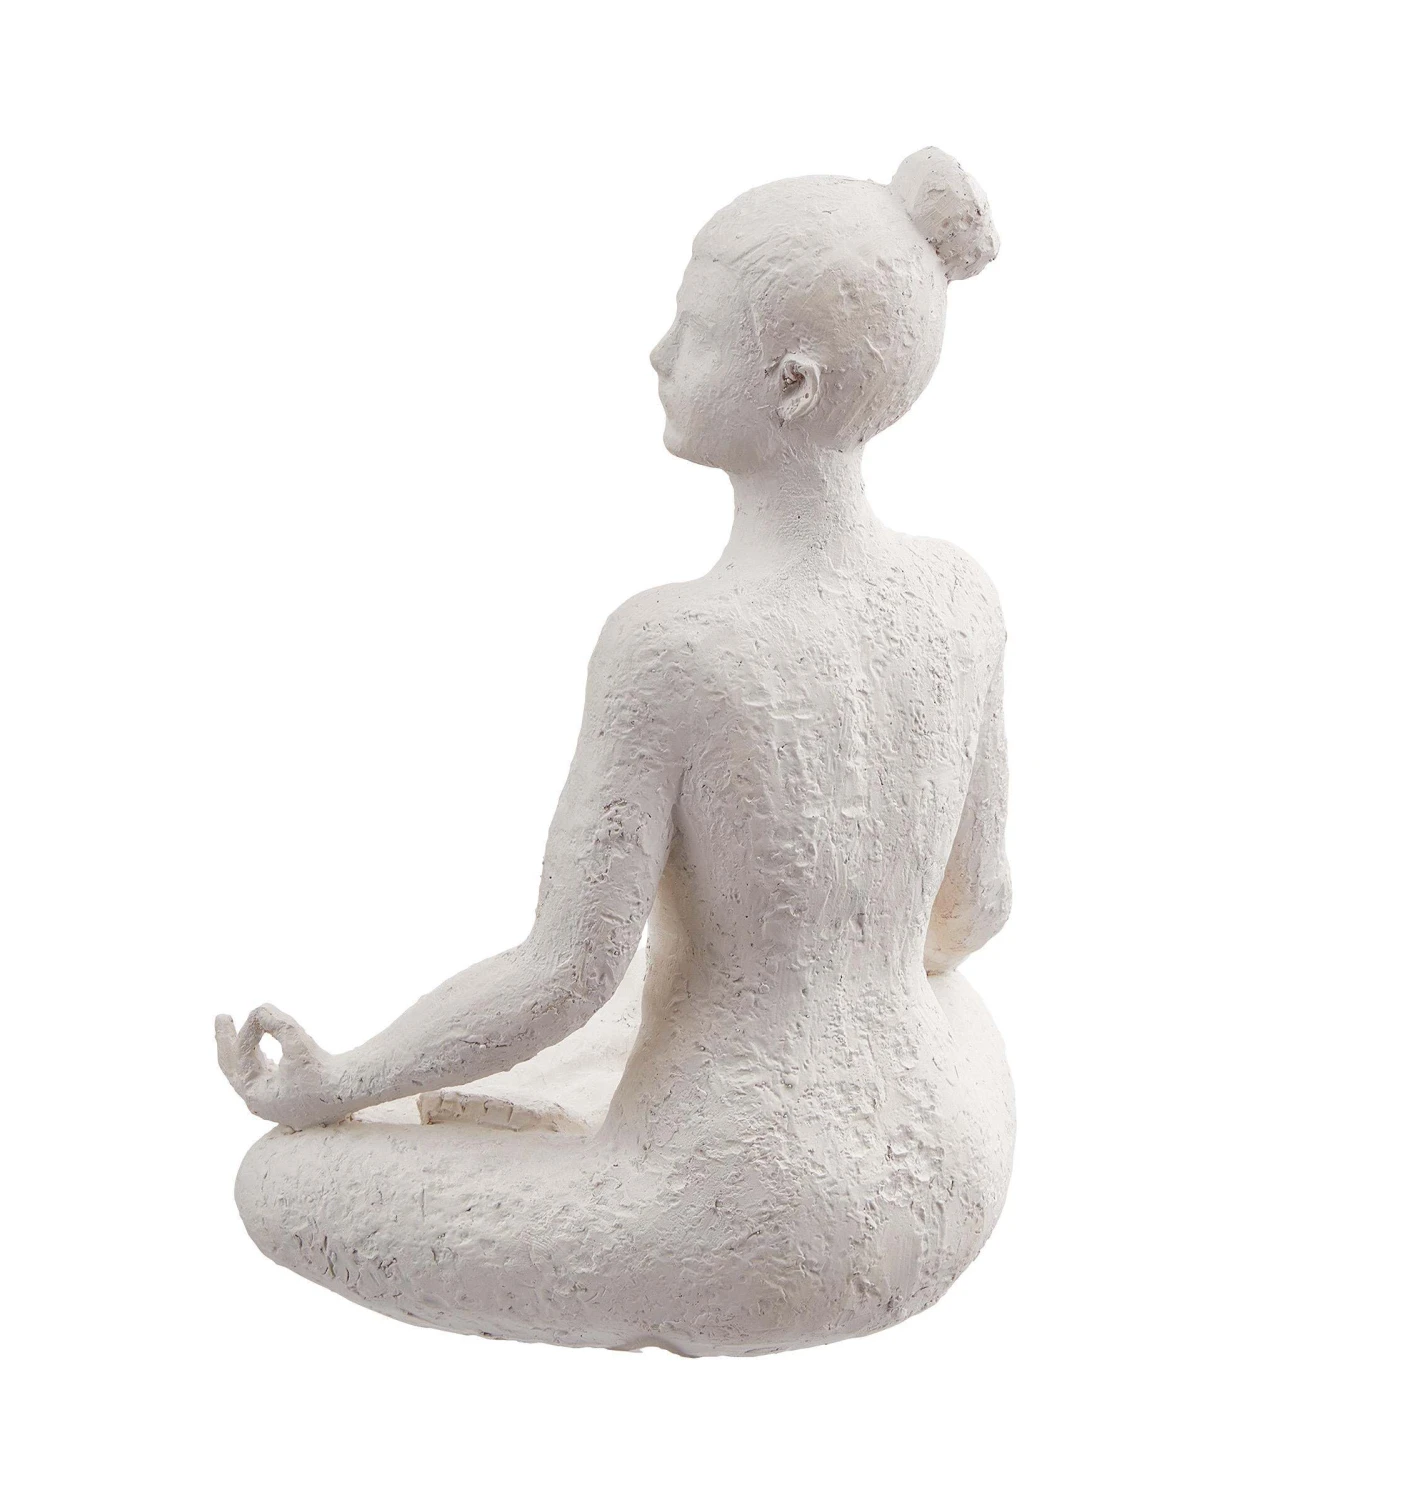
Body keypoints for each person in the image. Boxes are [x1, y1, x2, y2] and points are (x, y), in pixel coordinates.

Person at [217, 148, 1015, 1356]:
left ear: (792, 385)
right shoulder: (960, 598)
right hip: (955, 1168)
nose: (658, 354)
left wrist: (342, 1081)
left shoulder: (673, 646)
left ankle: (621, 1125)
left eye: (694, 333)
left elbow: (563, 978)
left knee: (275, 1183)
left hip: (750, 1225)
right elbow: (976, 914)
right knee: (870, 981)